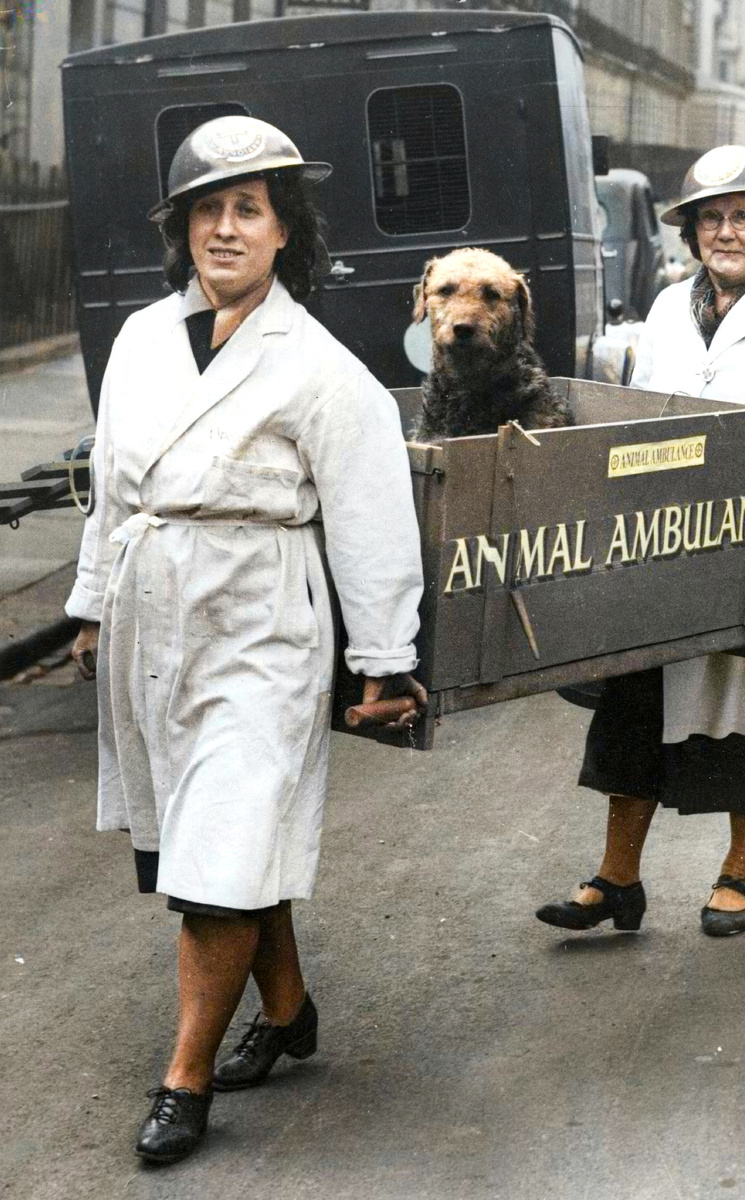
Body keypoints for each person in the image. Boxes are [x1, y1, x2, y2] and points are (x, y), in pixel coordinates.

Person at [66, 116, 426, 1165]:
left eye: (249, 209)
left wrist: (384, 660)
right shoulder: (139, 339)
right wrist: (92, 602)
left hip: (262, 621)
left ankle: (185, 1082)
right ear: (183, 229)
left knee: (220, 845)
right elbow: (111, 492)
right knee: (213, 830)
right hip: (154, 613)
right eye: (207, 209)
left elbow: (369, 519)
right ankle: (292, 1008)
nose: (226, 228)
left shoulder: (321, 368)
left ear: (283, 232)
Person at [536, 145, 745, 940]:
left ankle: (738, 873)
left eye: (744, 216)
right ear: (690, 233)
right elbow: (639, 427)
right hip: (672, 545)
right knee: (635, 701)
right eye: (710, 218)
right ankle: (617, 880)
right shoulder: (663, 312)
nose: (726, 232)